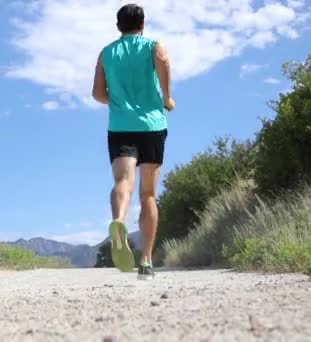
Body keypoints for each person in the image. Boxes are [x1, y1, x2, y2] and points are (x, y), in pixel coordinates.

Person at [92, 3, 174, 280]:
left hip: (121, 127)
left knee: (122, 183)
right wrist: (166, 95)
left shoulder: (106, 53)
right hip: (152, 125)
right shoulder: (153, 46)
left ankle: (118, 222)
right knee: (148, 194)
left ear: (118, 27)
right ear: (143, 24)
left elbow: (97, 94)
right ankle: (147, 262)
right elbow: (163, 60)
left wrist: (116, 101)